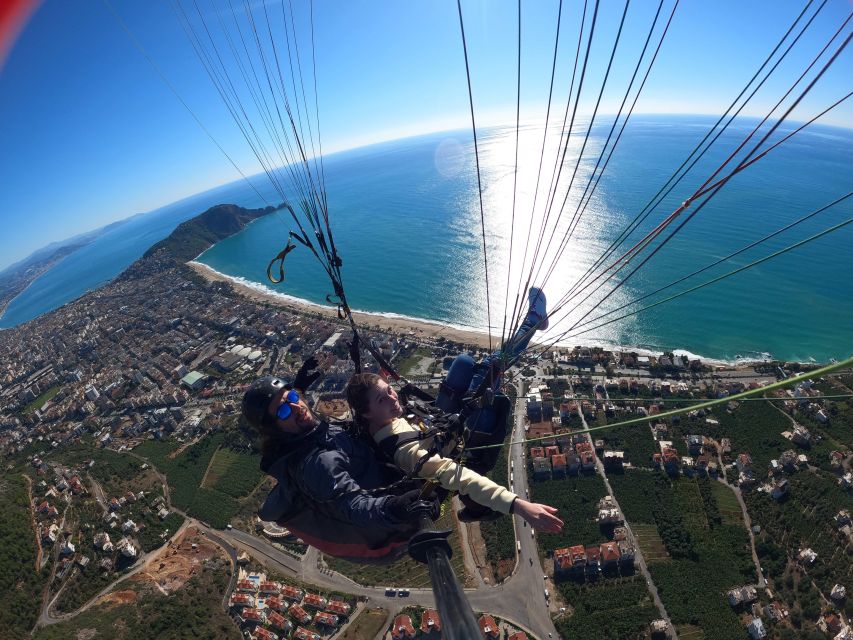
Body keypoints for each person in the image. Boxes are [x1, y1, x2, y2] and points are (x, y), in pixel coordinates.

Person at [345, 288, 564, 533]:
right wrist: (518, 506)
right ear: (366, 413)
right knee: (488, 369)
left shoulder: (378, 418)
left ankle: (532, 324)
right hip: (462, 446)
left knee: (463, 363)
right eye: (382, 400)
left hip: (438, 422)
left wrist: (380, 381)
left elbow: (378, 399)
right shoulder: (402, 451)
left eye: (389, 391)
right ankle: (533, 321)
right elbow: (454, 474)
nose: (392, 398)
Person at [241, 362, 434, 563]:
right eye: (283, 411)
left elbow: (294, 410)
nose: (297, 407)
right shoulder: (318, 462)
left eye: (293, 397)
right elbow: (354, 507)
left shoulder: (307, 433)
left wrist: (297, 389)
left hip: (389, 471)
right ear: (274, 429)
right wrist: (397, 507)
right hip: (401, 513)